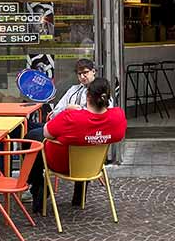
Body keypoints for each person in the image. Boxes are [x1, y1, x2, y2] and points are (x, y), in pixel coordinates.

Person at [27, 78, 126, 213]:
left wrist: (70, 111)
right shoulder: (118, 116)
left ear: (87, 96)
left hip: (62, 164)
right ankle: (78, 197)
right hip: (93, 166)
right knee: (84, 146)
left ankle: (37, 186)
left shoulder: (72, 117)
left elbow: (47, 133)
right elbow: (118, 136)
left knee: (33, 138)